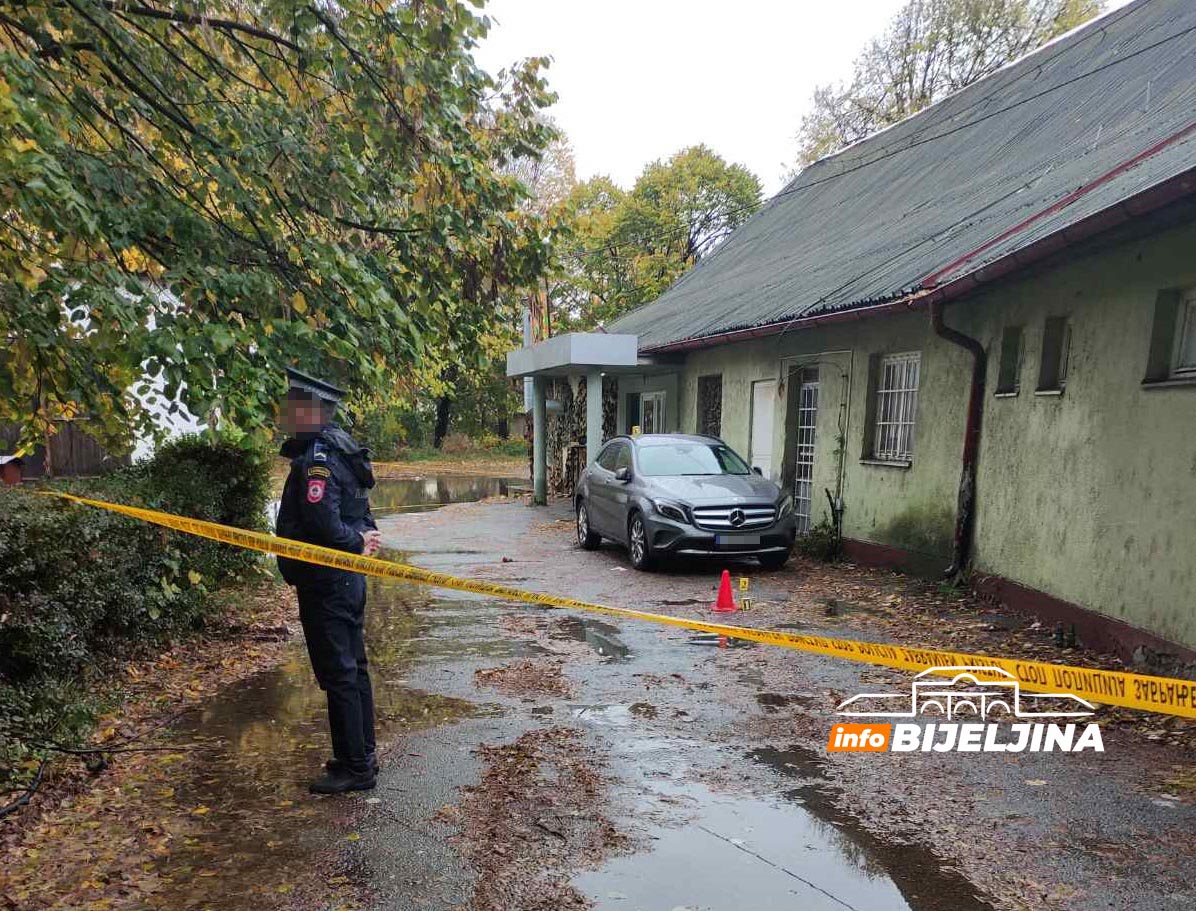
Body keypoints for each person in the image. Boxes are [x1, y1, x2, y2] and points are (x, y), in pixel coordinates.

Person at [276, 368, 383, 794]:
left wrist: (354, 541)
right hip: (345, 580)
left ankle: (354, 768)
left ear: (312, 412)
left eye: (293, 408)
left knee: (339, 673)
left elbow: (323, 521)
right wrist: (361, 539)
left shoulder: (318, 459)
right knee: (353, 669)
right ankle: (361, 754)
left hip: (326, 582)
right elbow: (360, 511)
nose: (286, 416)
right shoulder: (344, 449)